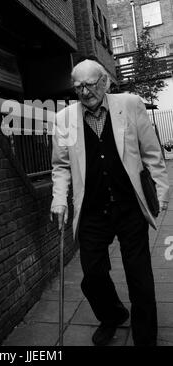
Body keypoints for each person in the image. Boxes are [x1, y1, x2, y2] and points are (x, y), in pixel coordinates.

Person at [50, 58, 170, 347]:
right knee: (92, 275)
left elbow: (152, 153)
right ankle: (113, 315)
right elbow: (61, 166)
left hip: (129, 207)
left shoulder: (129, 104)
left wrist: (161, 191)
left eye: (90, 85)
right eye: (78, 86)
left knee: (139, 277)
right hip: (92, 210)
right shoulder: (64, 118)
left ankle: (145, 338)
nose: (84, 92)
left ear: (104, 82)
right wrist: (58, 200)